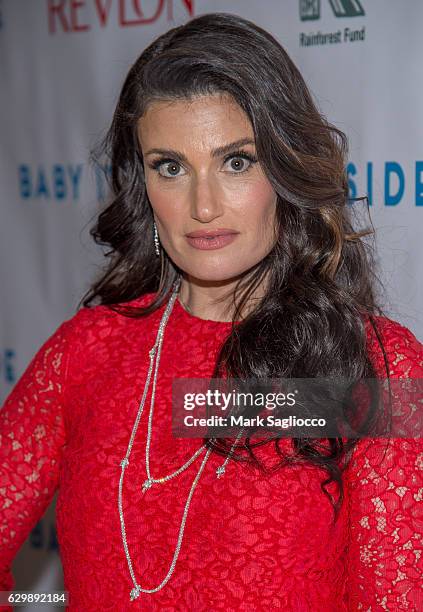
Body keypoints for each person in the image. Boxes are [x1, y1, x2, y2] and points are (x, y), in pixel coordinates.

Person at [1, 12, 422, 611]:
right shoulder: (86, 353)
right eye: (170, 167)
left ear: (285, 168)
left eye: (236, 161)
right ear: (142, 183)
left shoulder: (374, 367)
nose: (202, 205)